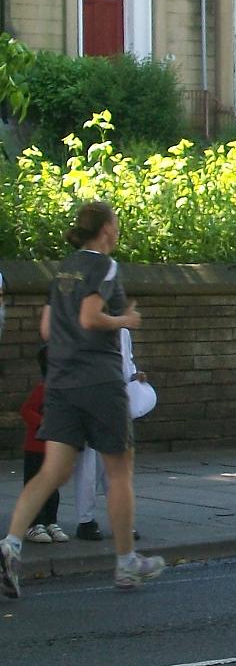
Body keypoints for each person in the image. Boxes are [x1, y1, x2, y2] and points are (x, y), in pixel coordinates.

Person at [0, 201, 165, 599]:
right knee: (119, 468)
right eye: (117, 222)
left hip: (61, 382)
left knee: (52, 471)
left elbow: (45, 328)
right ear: (106, 229)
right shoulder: (104, 267)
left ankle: (10, 545)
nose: (119, 229)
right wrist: (125, 320)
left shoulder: (63, 270)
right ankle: (126, 563)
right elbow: (91, 317)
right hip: (100, 383)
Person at [75, 327, 156, 541]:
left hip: (116, 403)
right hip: (88, 401)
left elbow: (127, 363)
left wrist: (135, 376)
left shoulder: (122, 332)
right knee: (88, 466)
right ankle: (86, 521)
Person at [19, 344, 70, 544]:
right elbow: (26, 410)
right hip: (36, 446)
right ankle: (33, 524)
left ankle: (50, 521)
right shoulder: (43, 389)